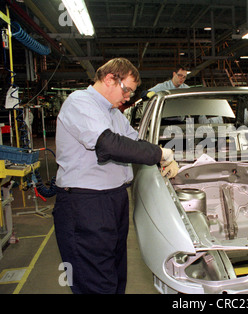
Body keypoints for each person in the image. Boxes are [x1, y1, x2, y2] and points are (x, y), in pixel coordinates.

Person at [53, 58, 178, 294]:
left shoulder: (113, 113)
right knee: (96, 281)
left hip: (113, 200)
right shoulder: (80, 102)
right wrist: (158, 153)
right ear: (110, 78)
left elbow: (133, 143)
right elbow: (109, 145)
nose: (129, 97)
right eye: (127, 89)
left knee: (115, 275)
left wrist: (165, 158)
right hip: (85, 204)